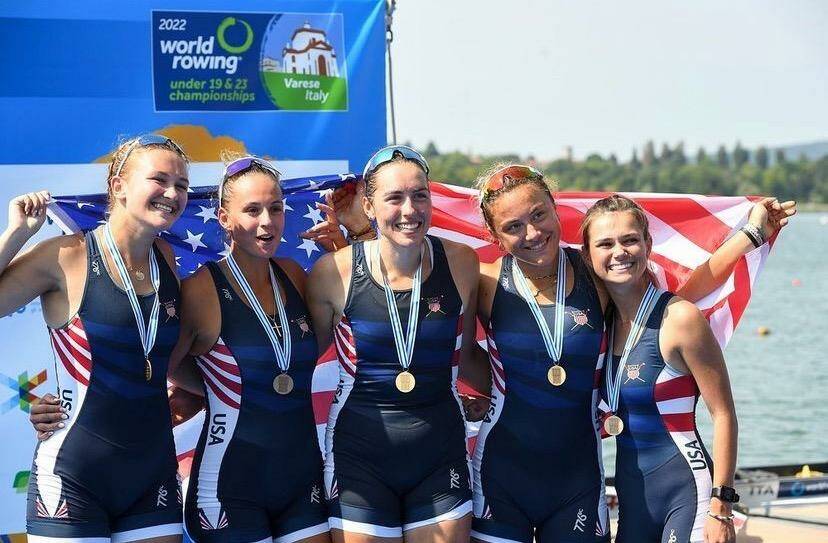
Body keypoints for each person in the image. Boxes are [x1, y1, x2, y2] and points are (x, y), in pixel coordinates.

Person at [468, 164, 795, 543]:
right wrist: (480, 393)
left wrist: (750, 235)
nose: (532, 232)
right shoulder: (485, 282)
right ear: (493, 233)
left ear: (555, 208)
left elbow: (677, 299)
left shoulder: (594, 275)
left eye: (539, 214)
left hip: (578, 484)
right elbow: (446, 339)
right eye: (513, 226)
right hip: (500, 476)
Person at [1, 135, 190, 542]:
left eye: (181, 185)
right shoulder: (65, 256)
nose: (173, 194)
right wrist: (17, 233)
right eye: (159, 180)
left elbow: (167, 359)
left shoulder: (167, 260)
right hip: (73, 475)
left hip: (153, 474)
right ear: (119, 186)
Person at [306, 145, 479, 542]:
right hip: (358, 458)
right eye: (394, 198)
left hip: (441, 457)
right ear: (368, 205)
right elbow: (298, 363)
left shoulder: (462, 263)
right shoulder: (333, 272)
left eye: (420, 195)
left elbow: (468, 354)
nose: (409, 210)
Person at [163, 154, 333, 543]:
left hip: (301, 478)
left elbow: (325, 337)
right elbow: (162, 366)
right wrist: (216, 384)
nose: (267, 221)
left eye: (276, 208)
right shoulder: (201, 289)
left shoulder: (294, 275)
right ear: (225, 218)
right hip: (228, 487)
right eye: (252, 210)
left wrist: (343, 244)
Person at [581, 194, 737, 543]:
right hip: (633, 501)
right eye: (605, 244)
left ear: (648, 244)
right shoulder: (600, 325)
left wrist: (721, 506)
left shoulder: (680, 318)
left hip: (689, 495)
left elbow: (724, 414)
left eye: (630, 240)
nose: (619, 252)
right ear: (588, 256)